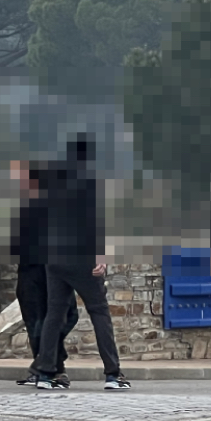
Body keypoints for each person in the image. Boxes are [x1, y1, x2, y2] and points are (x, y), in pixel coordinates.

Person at [30, 135, 130, 392]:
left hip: (54, 257)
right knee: (99, 311)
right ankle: (112, 373)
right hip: (81, 256)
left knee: (54, 313)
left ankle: (45, 372)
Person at [11, 160, 79, 388]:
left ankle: (50, 365)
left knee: (62, 316)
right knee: (35, 321)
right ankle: (47, 366)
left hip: (51, 270)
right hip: (30, 270)